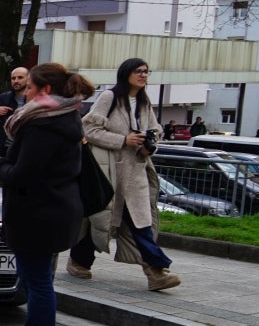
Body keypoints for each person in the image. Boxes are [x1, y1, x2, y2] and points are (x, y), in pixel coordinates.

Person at [0, 63, 87, 326]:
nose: (24, 92)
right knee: (39, 282)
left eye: (29, 87)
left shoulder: (42, 124)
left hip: (38, 215)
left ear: (45, 91)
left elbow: (22, 174)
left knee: (38, 284)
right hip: (54, 210)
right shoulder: (64, 117)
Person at [73, 59, 181, 291]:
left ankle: (156, 272)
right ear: (126, 74)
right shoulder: (109, 98)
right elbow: (89, 129)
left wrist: (148, 146)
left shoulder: (144, 101)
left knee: (141, 224)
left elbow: (155, 131)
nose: (143, 75)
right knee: (100, 220)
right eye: (138, 71)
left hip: (136, 174)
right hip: (109, 172)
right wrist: (123, 140)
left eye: (145, 72)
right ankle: (79, 261)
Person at [0, 66, 30, 159]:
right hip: (6, 149)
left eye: (20, 77)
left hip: (28, 148)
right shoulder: (2, 98)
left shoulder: (35, 98)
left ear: (28, 79)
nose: (16, 81)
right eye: (13, 78)